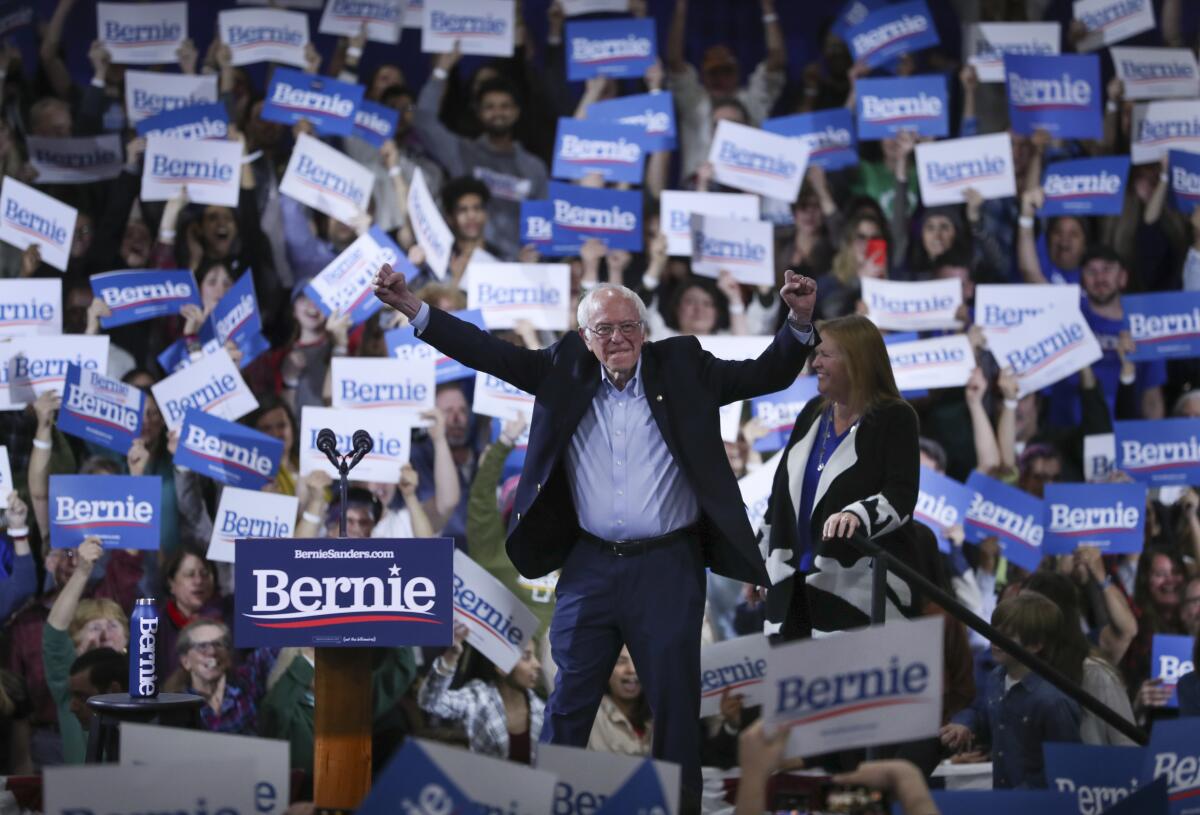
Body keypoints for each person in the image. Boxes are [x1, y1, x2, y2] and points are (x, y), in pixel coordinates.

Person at [373, 262, 817, 800]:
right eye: (603, 329)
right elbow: (487, 352)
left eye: (627, 325)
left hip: (668, 566)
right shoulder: (565, 367)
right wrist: (413, 308)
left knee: (676, 713)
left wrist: (797, 321)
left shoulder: (683, 365)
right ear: (585, 337)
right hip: (590, 567)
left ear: (645, 329)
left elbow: (764, 374)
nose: (617, 338)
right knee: (567, 705)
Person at [761, 314, 920, 639]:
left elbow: (902, 495)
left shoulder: (895, 417)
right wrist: (758, 563)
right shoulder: (811, 413)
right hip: (790, 589)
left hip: (854, 597)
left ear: (856, 361)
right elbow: (778, 496)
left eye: (825, 354)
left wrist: (857, 514)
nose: (815, 362)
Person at [941, 592, 1082, 789]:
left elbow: (1067, 766)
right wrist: (965, 724)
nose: (994, 641)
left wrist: (1022, 796)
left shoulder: (1053, 702)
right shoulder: (996, 678)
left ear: (1036, 645)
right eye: (994, 631)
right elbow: (984, 713)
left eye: (1007, 636)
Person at [417, 623, 544, 763]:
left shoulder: (544, 711)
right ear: (501, 667)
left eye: (535, 657)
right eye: (526, 657)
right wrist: (450, 658)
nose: (537, 665)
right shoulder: (478, 698)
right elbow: (430, 702)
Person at [587, 646, 652, 757]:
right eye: (621, 662)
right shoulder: (589, 712)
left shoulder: (663, 715)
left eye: (639, 660)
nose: (632, 669)